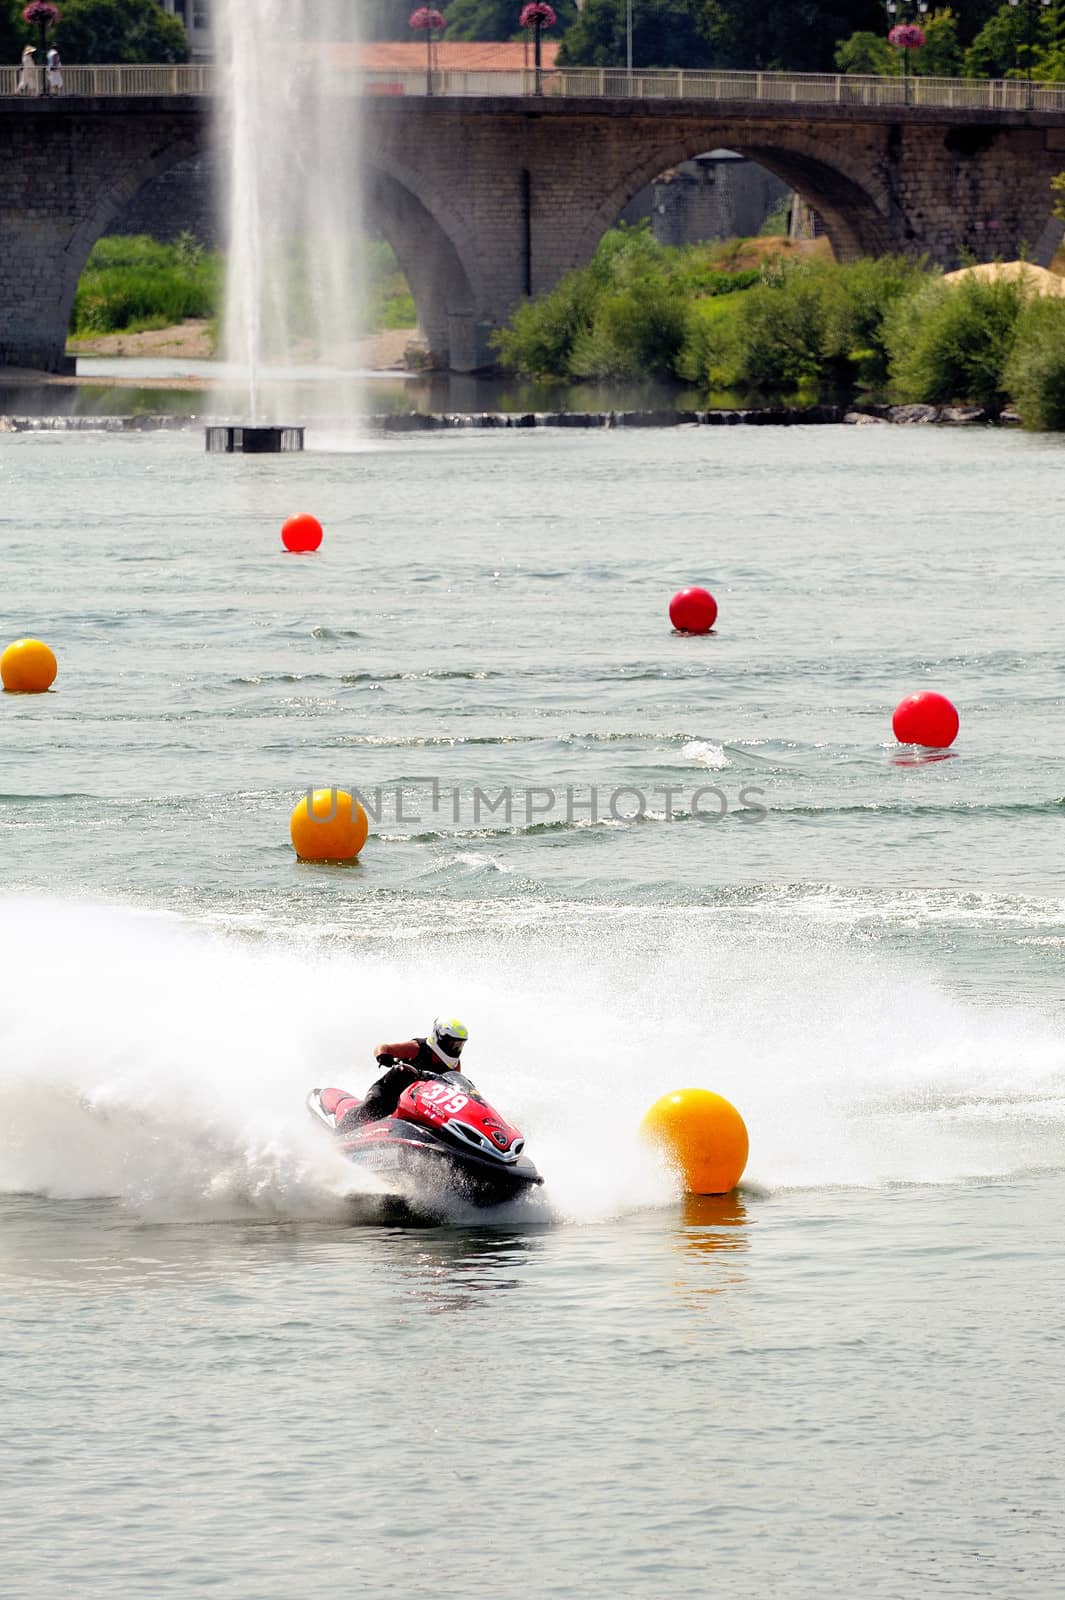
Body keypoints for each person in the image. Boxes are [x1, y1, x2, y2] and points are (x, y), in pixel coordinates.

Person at [335, 1017, 469, 1133]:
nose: (455, 1048)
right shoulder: (417, 1048)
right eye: (452, 1043)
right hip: (388, 1093)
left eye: (459, 1045)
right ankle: (338, 1135)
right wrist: (383, 1056)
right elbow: (383, 1047)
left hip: (417, 1103)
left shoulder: (454, 1065)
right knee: (370, 1107)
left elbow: (453, 1086)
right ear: (438, 1037)